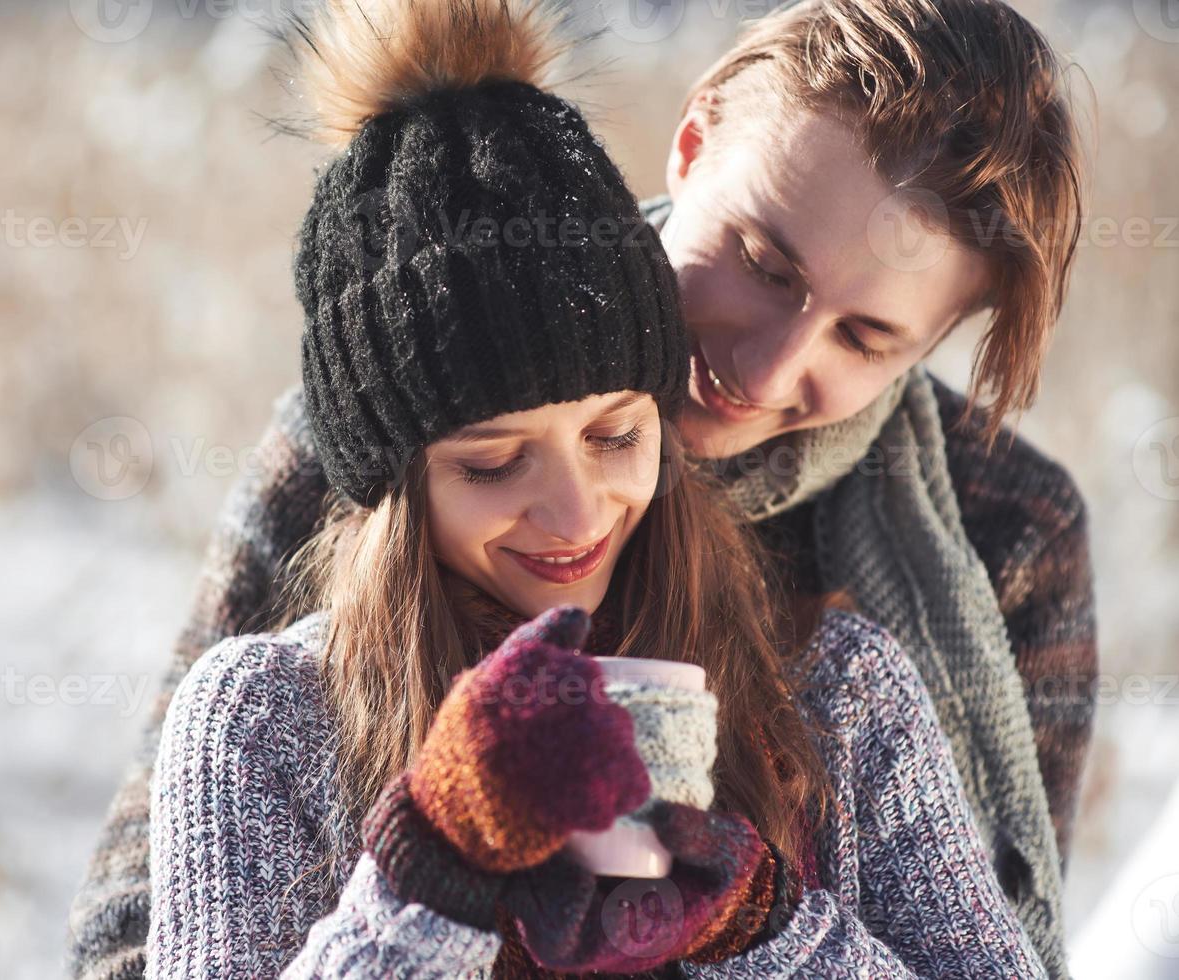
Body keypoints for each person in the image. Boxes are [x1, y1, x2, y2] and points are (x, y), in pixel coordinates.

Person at [68, 1, 1095, 978]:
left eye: (866, 335)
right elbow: (153, 903)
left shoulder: (971, 557)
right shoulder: (401, 381)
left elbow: (994, 930)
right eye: (762, 263)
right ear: (690, 149)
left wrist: (762, 918)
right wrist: (429, 873)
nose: (767, 369)